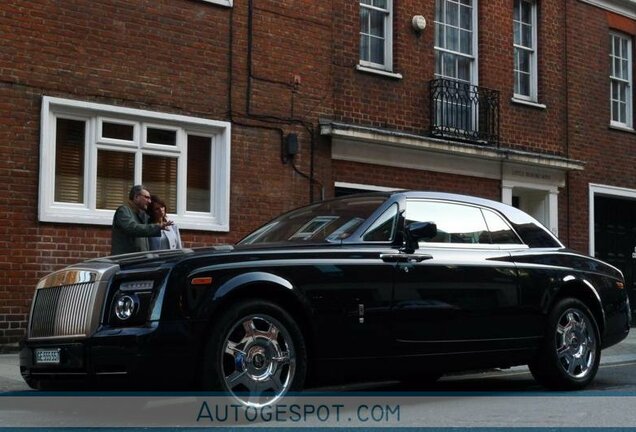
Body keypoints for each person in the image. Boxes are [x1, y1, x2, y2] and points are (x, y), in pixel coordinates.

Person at [111, 185, 172, 255]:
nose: (149, 201)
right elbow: (132, 228)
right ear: (136, 197)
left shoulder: (142, 215)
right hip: (126, 260)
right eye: (146, 198)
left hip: (138, 260)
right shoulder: (124, 210)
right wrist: (157, 227)